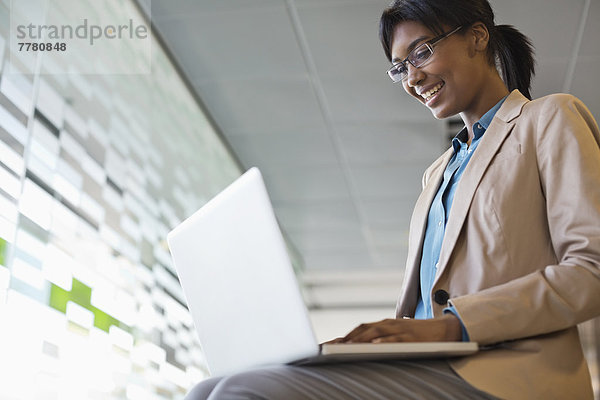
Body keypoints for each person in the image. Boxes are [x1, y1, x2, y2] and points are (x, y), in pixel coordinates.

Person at [185, 0, 600, 398]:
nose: (411, 78)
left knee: (243, 391)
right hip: (425, 365)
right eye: (400, 67)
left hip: (507, 373)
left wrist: (453, 325)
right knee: (208, 388)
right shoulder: (436, 175)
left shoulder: (549, 119)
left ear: (477, 37)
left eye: (420, 53)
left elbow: (591, 269)